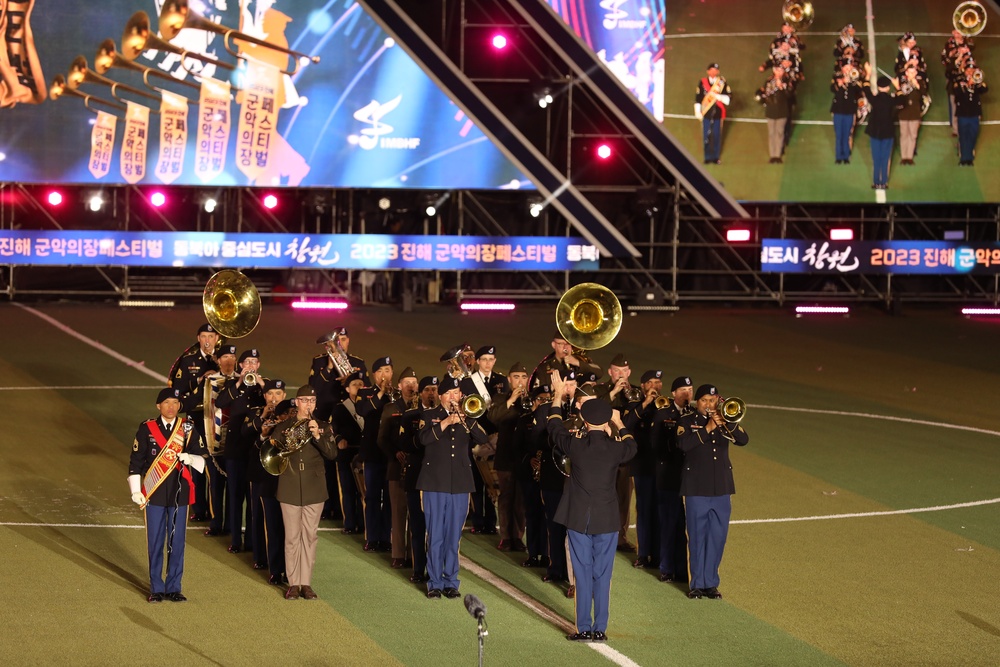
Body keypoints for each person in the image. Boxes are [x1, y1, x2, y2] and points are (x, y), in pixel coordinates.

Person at [547, 373, 636, 643]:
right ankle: (600, 628)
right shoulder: (615, 449)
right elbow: (632, 446)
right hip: (607, 520)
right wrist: (620, 424)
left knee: (582, 574)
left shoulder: (575, 445)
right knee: (603, 574)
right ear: (606, 420)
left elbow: (553, 426)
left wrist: (557, 395)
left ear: (584, 420)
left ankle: (583, 628)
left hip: (578, 519)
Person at [128, 387, 208, 603]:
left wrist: (190, 459)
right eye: (167, 402)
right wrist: (136, 490)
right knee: (155, 541)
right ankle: (156, 587)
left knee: (177, 541)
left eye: (175, 402)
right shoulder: (147, 429)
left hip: (179, 494)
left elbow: (202, 457)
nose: (171, 407)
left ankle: (174, 587)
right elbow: (136, 462)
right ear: (158, 406)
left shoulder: (188, 427)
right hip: (154, 494)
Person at [417, 376, 489, 599]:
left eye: (456, 394)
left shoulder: (468, 416)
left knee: (453, 536)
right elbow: (423, 439)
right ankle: (434, 583)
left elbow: (483, 438)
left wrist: (468, 418)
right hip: (434, 483)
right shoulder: (429, 416)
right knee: (435, 534)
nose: (453, 398)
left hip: (460, 482)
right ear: (441, 396)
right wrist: (447, 422)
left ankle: (451, 581)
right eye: (448, 394)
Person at [677, 384, 749, 600]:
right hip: (697, 488)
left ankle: (711, 583)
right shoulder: (687, 421)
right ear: (696, 402)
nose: (708, 405)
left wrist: (727, 421)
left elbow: (743, 440)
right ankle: (697, 584)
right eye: (704, 401)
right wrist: (708, 427)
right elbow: (683, 445)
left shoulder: (725, 421)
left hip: (722, 488)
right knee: (698, 537)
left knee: (718, 537)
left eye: (712, 400)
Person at [271, 385, 337, 600]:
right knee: (291, 537)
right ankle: (293, 583)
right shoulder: (283, 426)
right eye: (304, 400)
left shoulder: (324, 427)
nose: (308, 404)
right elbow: (274, 452)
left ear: (315, 403)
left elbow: (332, 454)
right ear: (297, 402)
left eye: (312, 400)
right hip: (289, 484)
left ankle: (306, 583)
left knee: (309, 536)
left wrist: (317, 435)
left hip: (314, 486)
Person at [171, 323, 219, 521]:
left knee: (216, 468)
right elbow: (178, 390)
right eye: (204, 336)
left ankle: (216, 512)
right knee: (197, 463)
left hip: (218, 419)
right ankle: (199, 509)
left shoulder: (223, 359)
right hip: (196, 417)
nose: (208, 340)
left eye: (211, 336)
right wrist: (198, 382)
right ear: (198, 338)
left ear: (216, 338)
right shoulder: (189, 360)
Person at [650, 376, 694, 583]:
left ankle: (682, 570)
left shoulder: (695, 415)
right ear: (674, 393)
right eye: (683, 389)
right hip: (668, 476)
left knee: (683, 525)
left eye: (690, 389)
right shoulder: (663, 414)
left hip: (689, 478)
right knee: (669, 524)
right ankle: (667, 568)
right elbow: (656, 446)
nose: (687, 393)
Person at [377, 366, 420, 569]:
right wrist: (395, 453)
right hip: (396, 467)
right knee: (398, 511)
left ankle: (414, 553)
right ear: (400, 385)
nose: (411, 386)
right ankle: (398, 554)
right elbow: (382, 439)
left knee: (416, 513)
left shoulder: (422, 408)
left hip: (418, 468)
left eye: (414, 382)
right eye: (407, 383)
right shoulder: (390, 409)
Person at [486, 362, 530, 552]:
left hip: (523, 457)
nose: (519, 381)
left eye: (523, 377)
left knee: (520, 500)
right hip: (505, 456)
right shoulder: (501, 397)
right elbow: (493, 417)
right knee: (506, 498)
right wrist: (511, 399)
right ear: (509, 380)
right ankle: (505, 536)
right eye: (516, 377)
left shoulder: (530, 400)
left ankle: (518, 537)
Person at [863, 69, 899, 190]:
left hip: (875, 132)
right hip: (888, 132)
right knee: (885, 157)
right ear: (888, 88)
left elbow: (866, 88)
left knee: (876, 157)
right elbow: (902, 99)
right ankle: (883, 182)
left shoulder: (874, 99)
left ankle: (875, 181)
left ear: (878, 87)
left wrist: (867, 75)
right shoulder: (891, 100)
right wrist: (898, 87)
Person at [695, 63, 731, 165]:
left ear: (718, 72)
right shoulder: (702, 83)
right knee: (706, 136)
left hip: (717, 114)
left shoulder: (722, 83)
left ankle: (715, 157)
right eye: (711, 70)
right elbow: (698, 98)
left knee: (716, 136)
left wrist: (717, 96)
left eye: (715, 70)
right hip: (706, 113)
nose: (713, 72)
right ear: (708, 71)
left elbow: (728, 97)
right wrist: (698, 111)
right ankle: (707, 157)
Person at [954, 64, 988, 166]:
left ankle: (969, 158)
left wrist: (978, 82)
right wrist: (968, 84)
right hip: (963, 113)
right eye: (968, 70)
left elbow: (985, 90)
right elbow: (957, 93)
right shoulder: (960, 82)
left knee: (973, 136)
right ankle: (964, 159)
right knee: (963, 136)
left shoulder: (977, 83)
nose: (970, 72)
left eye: (971, 70)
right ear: (965, 71)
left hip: (974, 114)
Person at [757, 65, 792, 164]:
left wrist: (781, 87)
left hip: (782, 111)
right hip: (771, 110)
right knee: (771, 133)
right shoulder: (768, 81)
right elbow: (764, 93)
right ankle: (772, 155)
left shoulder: (786, 81)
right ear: (774, 70)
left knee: (779, 133)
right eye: (777, 70)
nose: (779, 72)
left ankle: (778, 155)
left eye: (781, 70)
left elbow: (790, 95)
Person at [830, 68, 863, 164]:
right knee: (839, 135)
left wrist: (851, 81)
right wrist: (841, 82)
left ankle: (846, 156)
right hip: (838, 112)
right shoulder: (838, 78)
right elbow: (832, 88)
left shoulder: (853, 84)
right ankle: (838, 156)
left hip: (849, 112)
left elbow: (859, 90)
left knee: (847, 135)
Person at [897, 66, 925, 165]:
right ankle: (904, 156)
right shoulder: (902, 83)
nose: (912, 74)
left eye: (914, 72)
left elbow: (923, 93)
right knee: (904, 134)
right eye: (910, 72)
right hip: (904, 112)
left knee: (913, 135)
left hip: (915, 112)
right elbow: (899, 95)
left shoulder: (920, 82)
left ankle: (909, 156)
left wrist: (916, 84)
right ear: (907, 73)